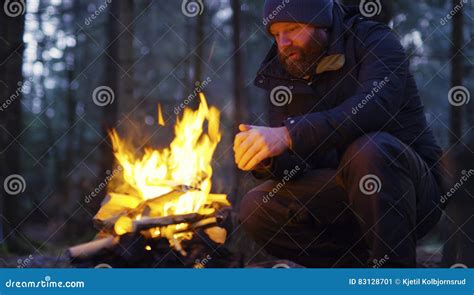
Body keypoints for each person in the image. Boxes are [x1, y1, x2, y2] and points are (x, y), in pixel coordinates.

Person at [234, 0, 445, 267]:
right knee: (257, 206)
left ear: (321, 22)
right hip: (339, 192)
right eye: (276, 34)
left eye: (292, 29)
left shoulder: (375, 41)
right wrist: (269, 158)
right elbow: (297, 163)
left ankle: (394, 273)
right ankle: (349, 273)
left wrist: (287, 135)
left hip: (409, 190)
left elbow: (373, 109)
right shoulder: (284, 72)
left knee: (369, 150)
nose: (283, 43)